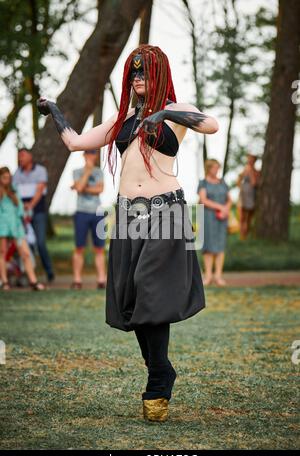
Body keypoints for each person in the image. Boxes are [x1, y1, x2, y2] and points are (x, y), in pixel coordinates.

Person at [36, 44, 219, 422]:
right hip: (127, 217)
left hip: (165, 212)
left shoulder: (176, 115)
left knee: (148, 286)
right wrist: (54, 110)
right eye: (133, 73)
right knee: (133, 299)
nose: (138, 78)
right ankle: (160, 369)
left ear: (159, 76)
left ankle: (157, 379)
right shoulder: (122, 121)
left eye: (145, 73)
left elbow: (212, 124)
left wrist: (164, 111)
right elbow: (74, 142)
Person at [13, 148, 55, 283]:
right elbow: (15, 193)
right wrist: (22, 207)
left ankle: (49, 272)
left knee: (40, 243)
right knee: (25, 244)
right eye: (19, 157)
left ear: (30, 157)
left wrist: (30, 205)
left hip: (38, 212)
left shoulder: (40, 171)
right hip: (22, 214)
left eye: (23, 156)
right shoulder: (17, 174)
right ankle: (29, 274)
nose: (21, 159)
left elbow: (40, 190)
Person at [0, 167, 45, 291]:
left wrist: (24, 214)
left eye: (8, 178)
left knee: (25, 253)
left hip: (16, 225)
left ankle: (33, 281)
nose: (6, 180)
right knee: (2, 253)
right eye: (4, 178)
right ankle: (4, 281)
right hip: (2, 225)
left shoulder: (13, 190)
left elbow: (19, 207)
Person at [71, 149, 107, 289]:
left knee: (99, 248)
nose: (91, 156)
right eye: (89, 153)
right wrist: (87, 172)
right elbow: (79, 187)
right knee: (79, 247)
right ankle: (77, 280)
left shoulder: (99, 172)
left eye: (93, 153)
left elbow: (100, 190)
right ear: (84, 155)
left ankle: (101, 280)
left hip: (97, 212)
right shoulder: (77, 171)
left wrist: (81, 186)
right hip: (81, 212)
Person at [197, 159, 232, 287]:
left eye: (218, 168)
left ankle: (218, 275)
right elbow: (203, 200)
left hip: (222, 217)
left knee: (220, 245)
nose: (217, 170)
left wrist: (226, 209)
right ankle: (208, 276)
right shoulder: (203, 183)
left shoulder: (222, 182)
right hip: (208, 216)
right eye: (215, 168)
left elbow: (229, 199)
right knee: (209, 246)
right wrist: (220, 207)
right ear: (209, 168)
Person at [237, 154, 260, 240]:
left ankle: (246, 235)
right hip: (243, 196)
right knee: (242, 217)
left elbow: (254, 183)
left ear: (254, 161)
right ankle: (242, 236)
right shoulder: (244, 170)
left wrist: (250, 172)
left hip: (252, 196)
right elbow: (238, 183)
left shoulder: (256, 171)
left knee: (249, 218)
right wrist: (242, 175)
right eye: (248, 159)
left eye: (251, 159)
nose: (249, 161)